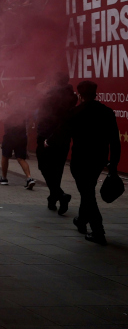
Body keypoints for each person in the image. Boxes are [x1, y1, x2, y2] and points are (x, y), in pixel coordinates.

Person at [68, 80, 119, 246]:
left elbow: (63, 133)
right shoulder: (107, 112)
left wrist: (48, 143)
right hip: (99, 159)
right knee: (88, 188)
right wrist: (114, 165)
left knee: (87, 193)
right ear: (95, 93)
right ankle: (82, 220)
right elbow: (115, 141)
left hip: (80, 160)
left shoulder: (76, 112)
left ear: (80, 95)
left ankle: (98, 231)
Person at [36, 73, 77, 213]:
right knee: (57, 169)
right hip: (64, 138)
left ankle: (59, 194)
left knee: (43, 166)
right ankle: (53, 198)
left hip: (47, 135)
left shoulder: (51, 95)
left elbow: (44, 114)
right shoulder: (72, 96)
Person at [0, 92, 36, 190]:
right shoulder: (23, 110)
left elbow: (2, 119)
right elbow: (29, 122)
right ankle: (29, 178)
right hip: (21, 136)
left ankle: (4, 178)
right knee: (21, 159)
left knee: (5, 156)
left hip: (9, 136)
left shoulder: (8, 110)